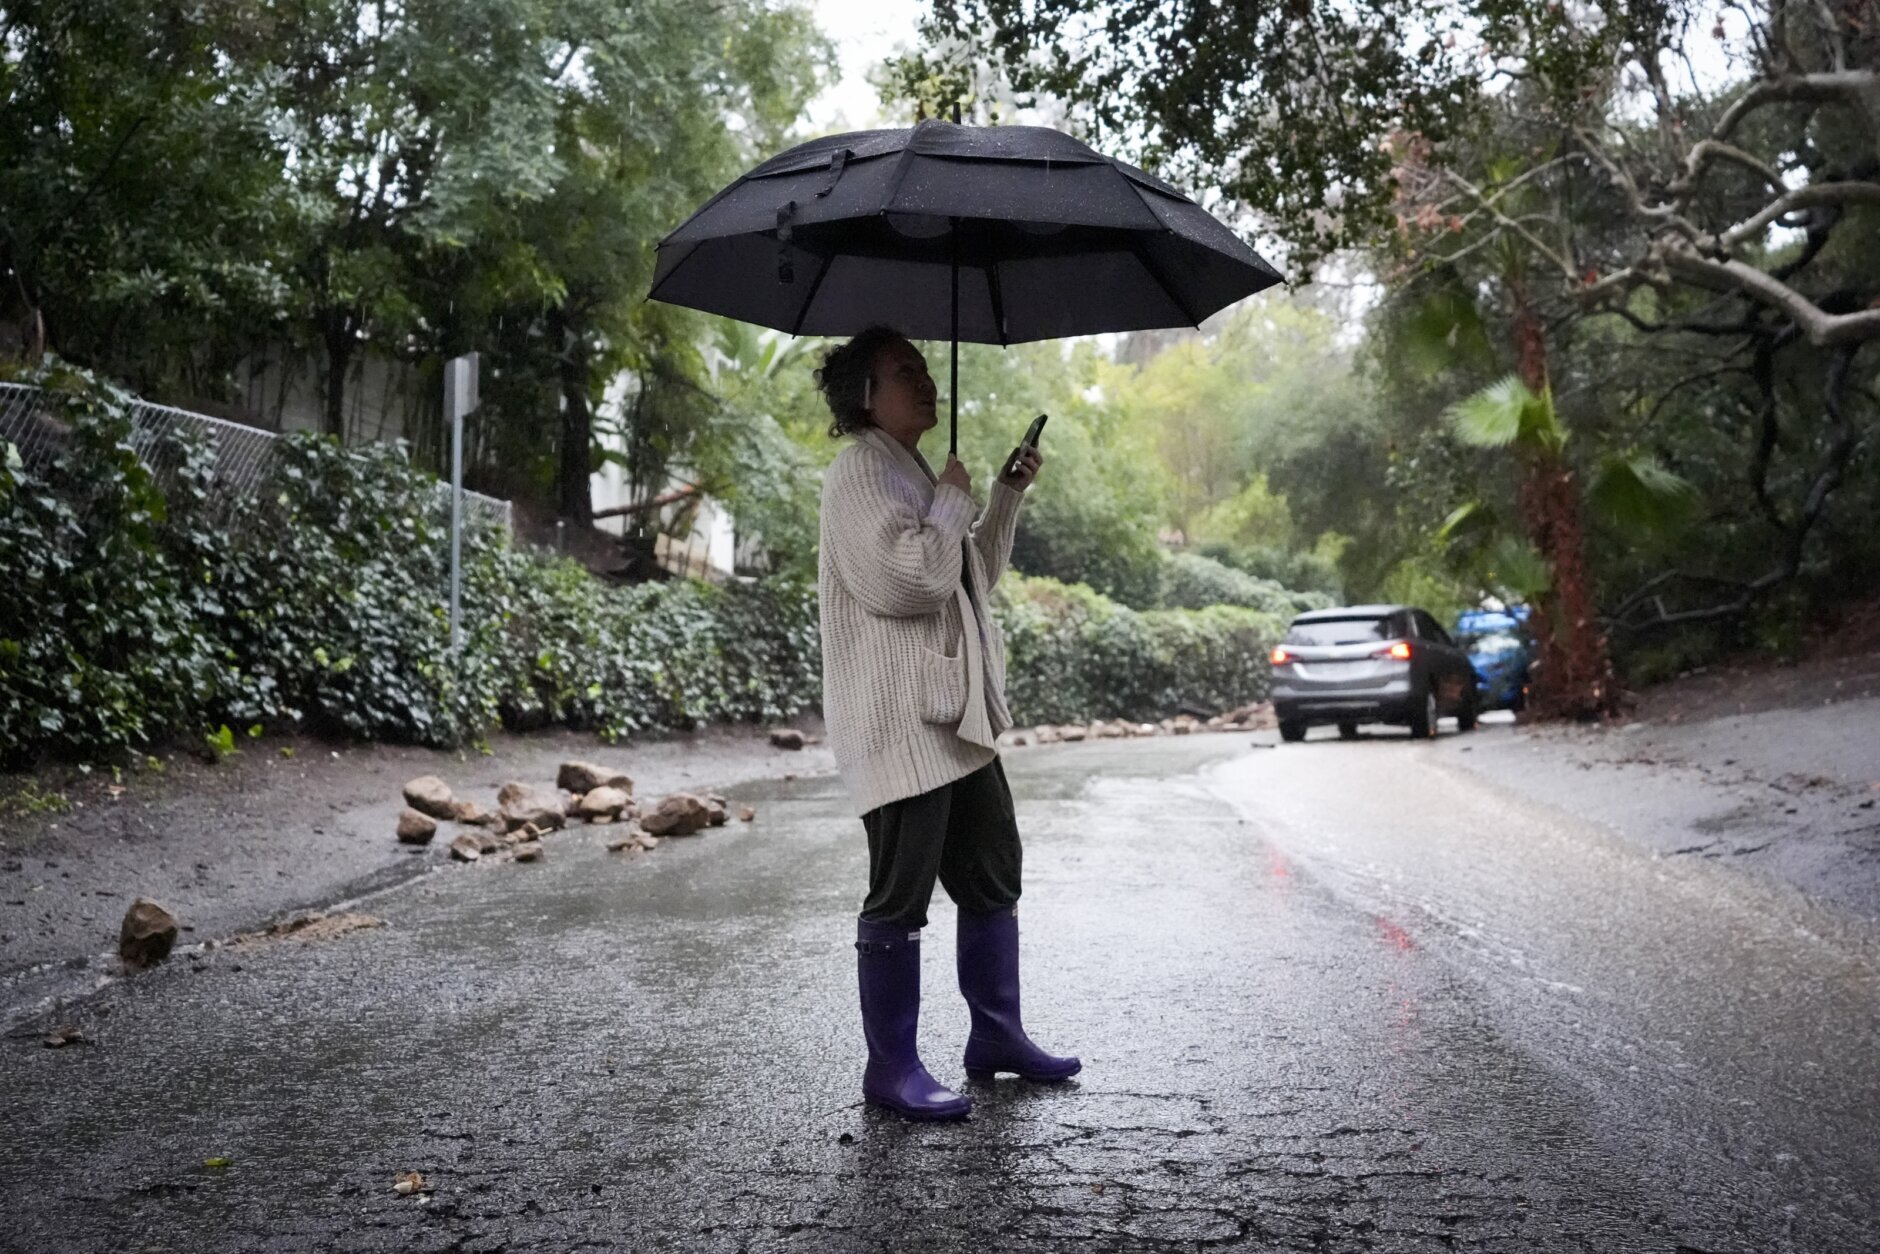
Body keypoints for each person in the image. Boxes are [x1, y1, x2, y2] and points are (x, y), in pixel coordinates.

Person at [815, 326, 1080, 1122]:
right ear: (866, 395)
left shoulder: (911, 470)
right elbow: (909, 582)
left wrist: (1001, 495)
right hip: (901, 721)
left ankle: (995, 1035)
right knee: (900, 891)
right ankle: (891, 1068)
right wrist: (952, 500)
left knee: (992, 869)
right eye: (907, 372)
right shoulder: (860, 471)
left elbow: (970, 575)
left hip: (955, 717)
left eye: (927, 369)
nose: (927, 382)